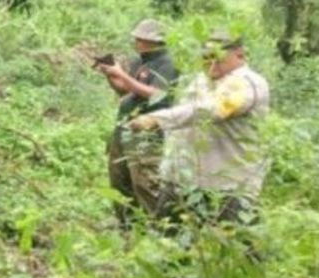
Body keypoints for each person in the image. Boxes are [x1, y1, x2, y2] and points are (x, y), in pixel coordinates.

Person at [130, 29, 270, 227]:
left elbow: (212, 110)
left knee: (237, 240)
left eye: (218, 59)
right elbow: (183, 116)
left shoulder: (248, 83)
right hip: (182, 179)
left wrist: (157, 119)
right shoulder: (200, 81)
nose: (210, 65)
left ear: (240, 55)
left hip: (229, 184)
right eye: (205, 58)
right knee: (167, 237)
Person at [95, 19, 179, 221]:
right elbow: (127, 92)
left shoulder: (167, 63)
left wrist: (122, 74)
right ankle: (126, 225)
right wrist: (111, 76)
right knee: (119, 178)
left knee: (145, 182)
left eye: (140, 39)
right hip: (125, 125)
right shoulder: (139, 61)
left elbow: (158, 95)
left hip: (147, 131)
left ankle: (156, 227)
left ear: (152, 41)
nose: (136, 42)